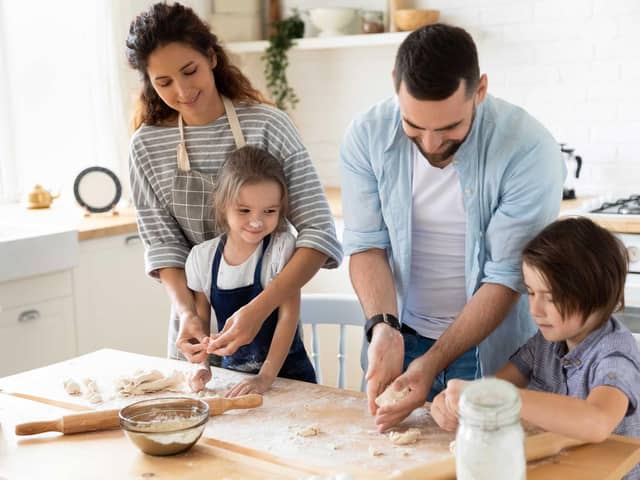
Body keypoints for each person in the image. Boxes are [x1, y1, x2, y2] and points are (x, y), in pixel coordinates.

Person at [339, 23, 565, 432]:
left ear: (479, 90)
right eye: (413, 126)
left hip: (496, 354)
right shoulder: (366, 135)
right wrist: (383, 328)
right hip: (400, 340)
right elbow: (366, 245)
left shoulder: (529, 149)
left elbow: (505, 277)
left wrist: (434, 362)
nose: (429, 144)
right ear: (395, 84)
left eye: (448, 129)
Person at [126, 3, 341, 365]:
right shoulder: (146, 146)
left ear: (211, 57)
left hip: (269, 326)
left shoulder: (268, 126)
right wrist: (188, 314)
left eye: (189, 70)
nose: (181, 90)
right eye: (164, 82)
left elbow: (319, 233)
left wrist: (259, 309)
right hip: (194, 332)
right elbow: (164, 248)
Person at [431, 217, 640, 479]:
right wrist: (463, 404)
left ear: (595, 294)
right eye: (531, 292)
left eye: (551, 298)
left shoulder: (615, 355)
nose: (535, 310)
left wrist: (491, 394)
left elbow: (597, 421)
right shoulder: (544, 343)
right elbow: (498, 386)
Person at [185, 145, 316, 396]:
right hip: (235, 381)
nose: (256, 221)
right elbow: (201, 323)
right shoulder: (202, 258)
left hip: (289, 378)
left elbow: (287, 319)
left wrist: (265, 378)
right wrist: (201, 365)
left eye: (269, 211)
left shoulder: (281, 248)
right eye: (244, 210)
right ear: (222, 205)